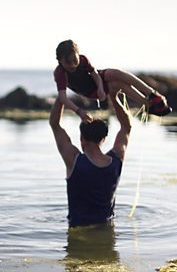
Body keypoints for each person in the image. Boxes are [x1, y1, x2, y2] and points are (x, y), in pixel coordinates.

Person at [49, 90, 131, 227]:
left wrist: (61, 94)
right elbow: (126, 127)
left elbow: (54, 124)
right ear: (103, 139)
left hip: (78, 232)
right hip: (106, 233)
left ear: (82, 138)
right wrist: (114, 96)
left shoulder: (74, 160)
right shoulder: (116, 161)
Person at [54, 39, 172, 122]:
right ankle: (147, 105)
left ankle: (152, 93)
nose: (73, 65)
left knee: (115, 73)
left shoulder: (83, 59)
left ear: (78, 55)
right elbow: (63, 97)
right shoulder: (60, 73)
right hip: (89, 90)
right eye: (68, 63)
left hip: (96, 81)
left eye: (75, 60)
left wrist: (100, 86)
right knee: (118, 85)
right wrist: (79, 112)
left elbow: (94, 73)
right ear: (59, 60)